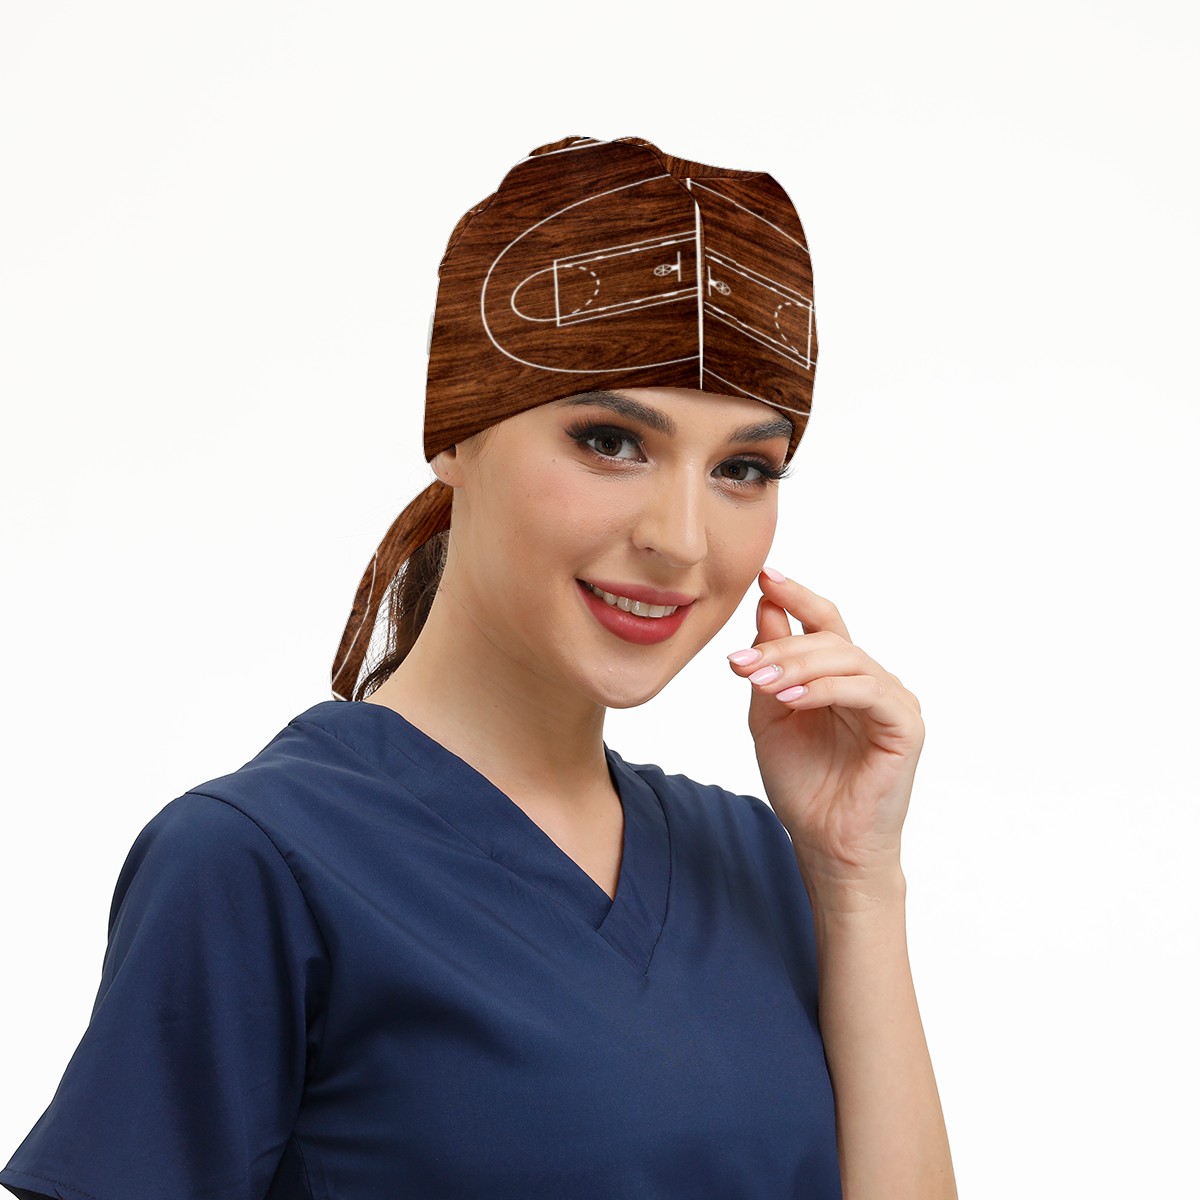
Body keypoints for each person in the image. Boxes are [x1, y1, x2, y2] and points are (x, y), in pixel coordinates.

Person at [1, 134, 957, 1200]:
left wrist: (856, 878)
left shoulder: (751, 858)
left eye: (743, 467)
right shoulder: (254, 863)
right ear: (456, 434)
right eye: (610, 441)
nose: (682, 540)